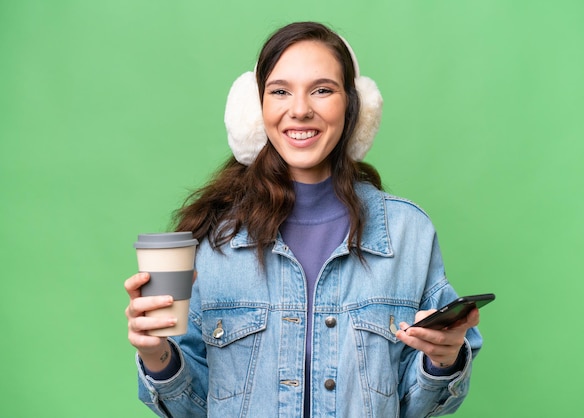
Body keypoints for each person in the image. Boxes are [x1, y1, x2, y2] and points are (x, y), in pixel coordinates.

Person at [124, 21, 483, 418]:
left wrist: (442, 361)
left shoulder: (407, 232)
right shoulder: (213, 237)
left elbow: (419, 405)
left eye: (322, 90)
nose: (299, 110)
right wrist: (157, 355)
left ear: (353, 107)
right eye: (280, 91)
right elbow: (192, 409)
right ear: (255, 109)